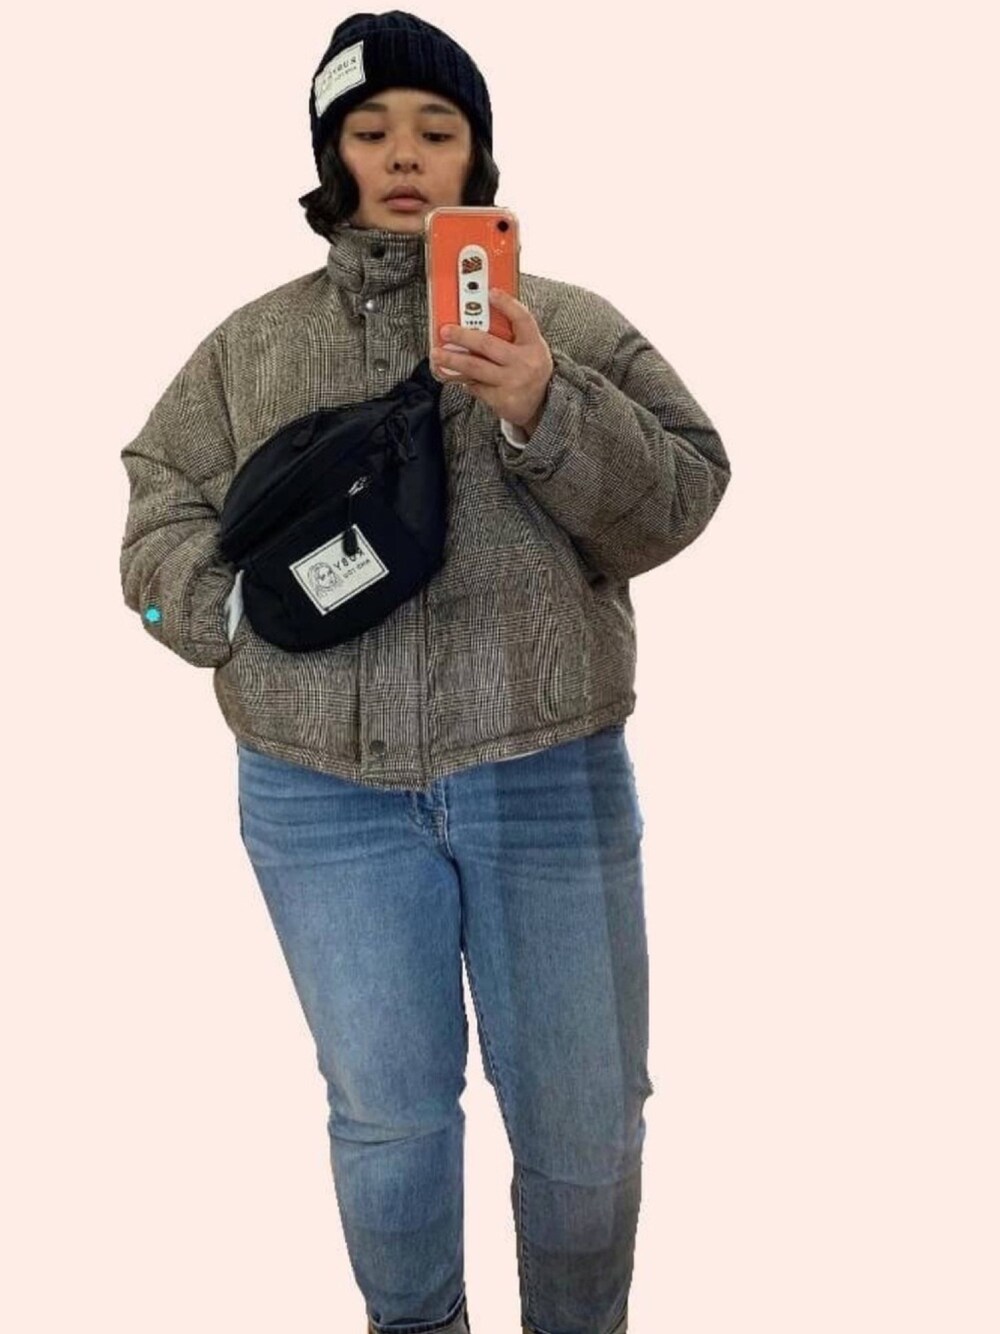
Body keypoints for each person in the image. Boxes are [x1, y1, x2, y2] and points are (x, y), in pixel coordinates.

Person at [118, 11, 731, 1333]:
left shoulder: (566, 325)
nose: (403, 155)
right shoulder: (249, 347)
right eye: (371, 130)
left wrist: (545, 406)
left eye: (436, 130)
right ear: (332, 157)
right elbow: (156, 508)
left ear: (477, 157)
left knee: (587, 1130)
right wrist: (216, 617)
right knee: (388, 1123)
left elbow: (684, 495)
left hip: (549, 780)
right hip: (318, 799)